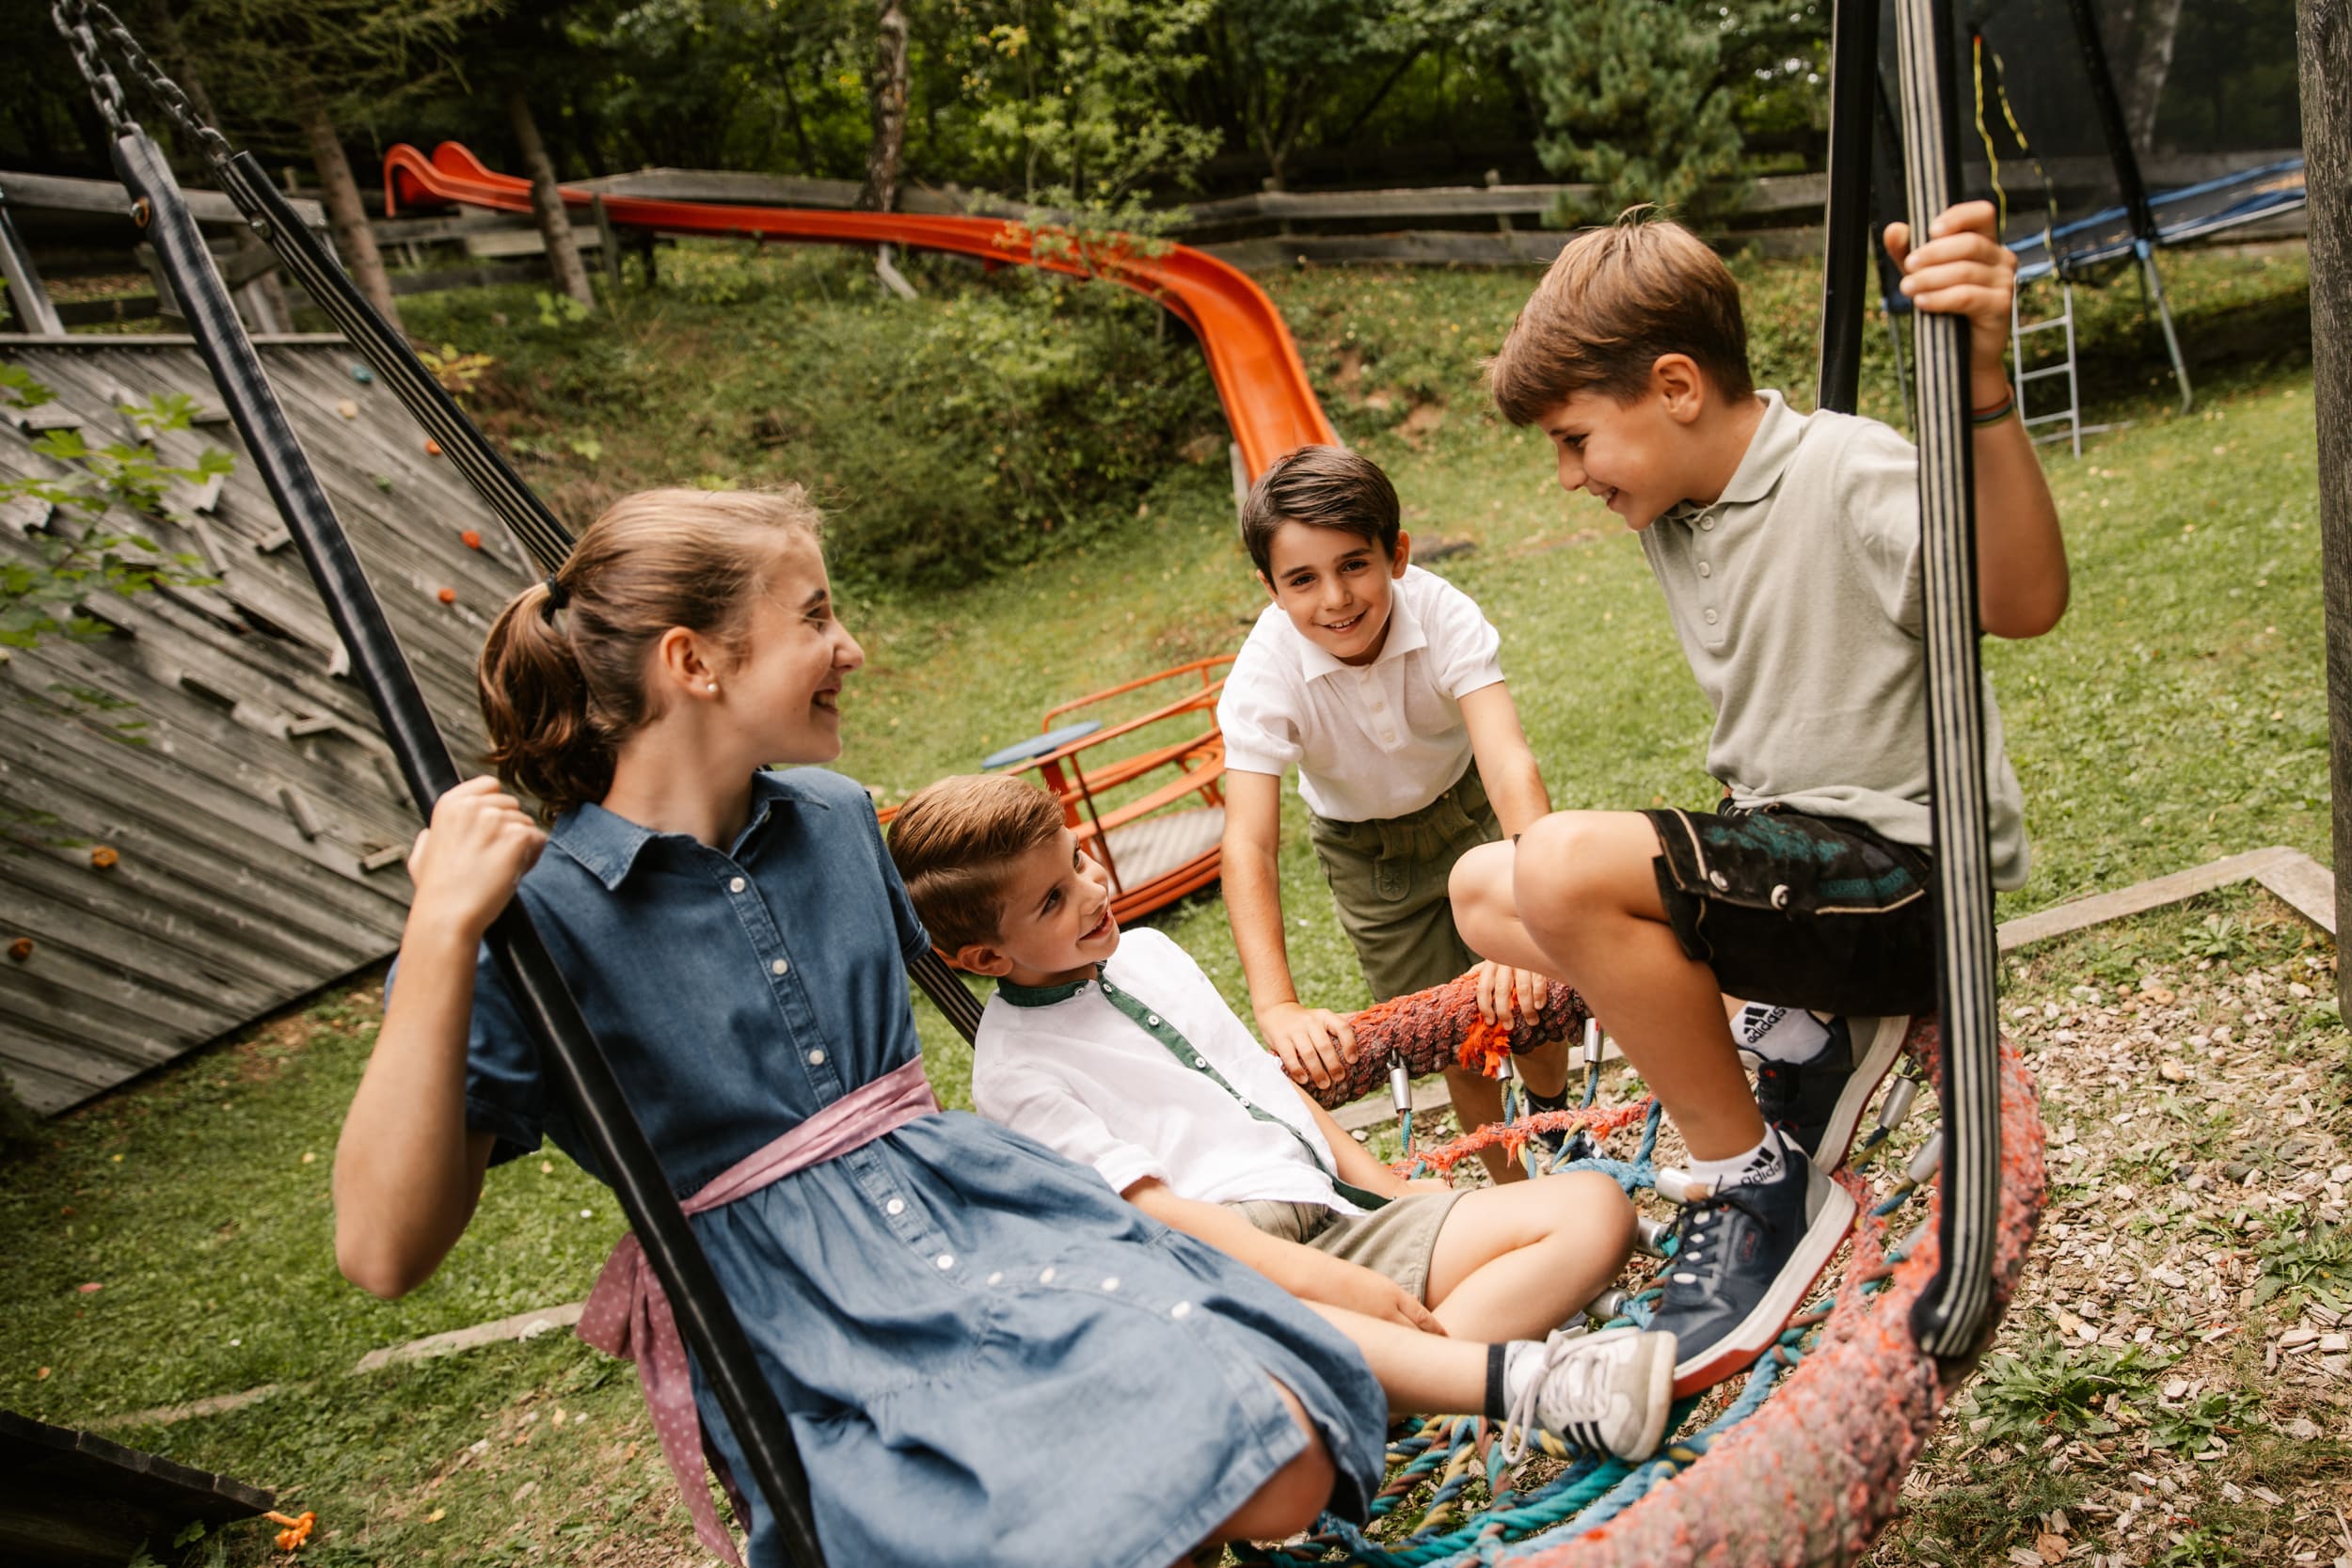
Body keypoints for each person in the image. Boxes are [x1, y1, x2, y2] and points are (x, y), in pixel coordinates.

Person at [329, 487, 1667, 1568]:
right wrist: (442, 934)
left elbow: (1017, 937)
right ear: (694, 662)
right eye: (814, 615)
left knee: (1286, 1454)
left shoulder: (837, 819)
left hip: (981, 1218)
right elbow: (385, 1247)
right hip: (802, 1310)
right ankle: (1499, 1378)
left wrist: (1217, 1056)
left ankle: (1480, 1378)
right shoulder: (534, 916)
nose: (849, 644)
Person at [1449, 203, 2069, 1400]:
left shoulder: (1849, 468)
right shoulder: (1677, 504)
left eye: (1577, 440)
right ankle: (1785, 1024)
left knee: (1565, 865)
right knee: (1485, 885)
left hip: (1900, 880)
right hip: (1800, 862)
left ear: (1676, 385)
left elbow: (2025, 595)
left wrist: (1982, 387)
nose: (1569, 476)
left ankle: (1754, 1181)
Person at [887, 774, 1662, 1384]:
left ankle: (1403, 1375)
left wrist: (1388, 1189)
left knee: (1595, 1207)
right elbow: (1160, 1215)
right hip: (1241, 1266)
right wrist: (1336, 1283)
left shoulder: (1150, 953)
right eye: (1053, 899)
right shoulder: (1015, 1069)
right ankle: (1430, 1370)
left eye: (1079, 860)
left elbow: (1264, 1083)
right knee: (1503, 1255)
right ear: (986, 959)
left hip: (1330, 1209)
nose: (1091, 891)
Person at [1216, 445, 1573, 1184]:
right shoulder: (1264, 674)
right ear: (1271, 589)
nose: (1336, 598)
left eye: (1354, 564)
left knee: (1533, 999)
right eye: (1303, 579)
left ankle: (1560, 1117)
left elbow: (1508, 759)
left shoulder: (1442, 611)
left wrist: (1534, 893)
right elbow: (1250, 843)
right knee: (1455, 1036)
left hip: (1470, 812)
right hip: (1367, 858)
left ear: (1397, 554)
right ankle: (1517, 1192)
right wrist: (1276, 1003)